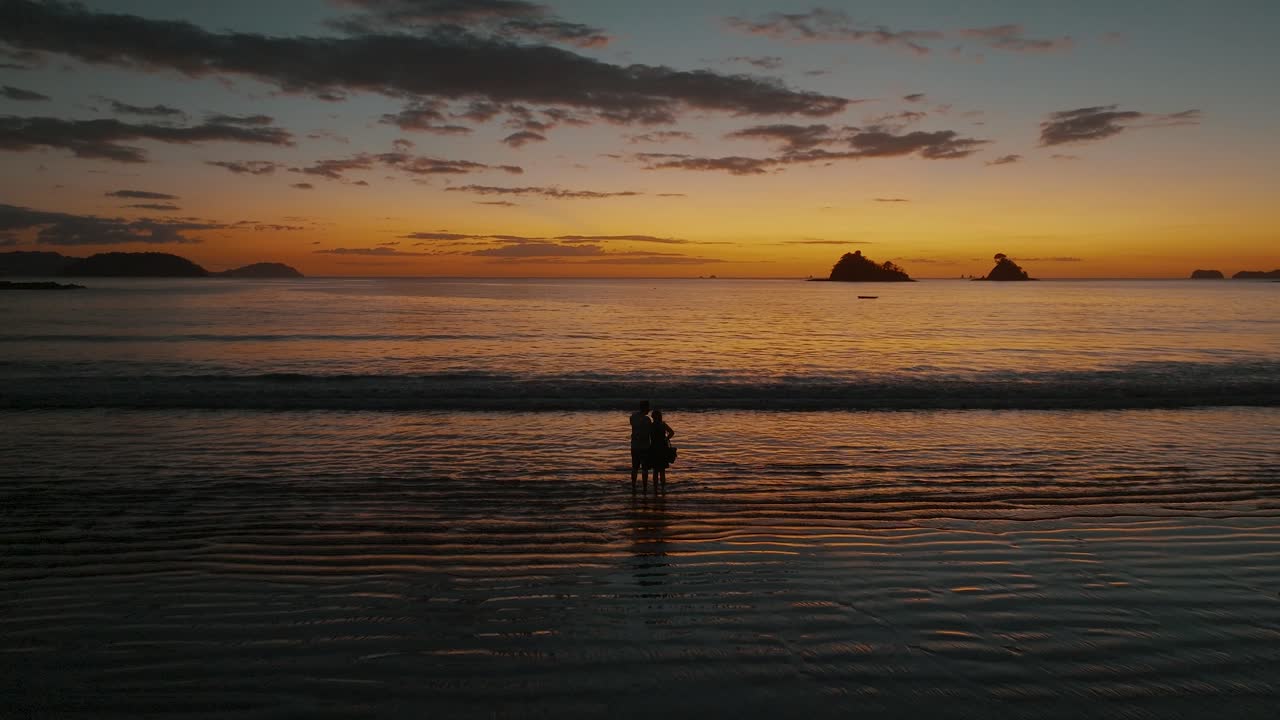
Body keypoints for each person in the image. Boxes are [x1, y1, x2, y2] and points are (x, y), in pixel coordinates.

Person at [647, 409, 676, 486]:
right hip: (662, 448)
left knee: (656, 470)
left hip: (654, 448)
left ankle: (656, 488)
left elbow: (647, 436)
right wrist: (666, 439)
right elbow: (672, 432)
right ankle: (662, 488)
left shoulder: (651, 426)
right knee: (661, 470)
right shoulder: (662, 424)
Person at [629, 401, 653, 487]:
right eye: (648, 408)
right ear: (645, 408)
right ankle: (645, 486)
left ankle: (633, 485)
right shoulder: (647, 420)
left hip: (634, 446)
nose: (649, 409)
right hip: (644, 446)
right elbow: (650, 433)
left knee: (635, 467)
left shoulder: (633, 417)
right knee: (644, 468)